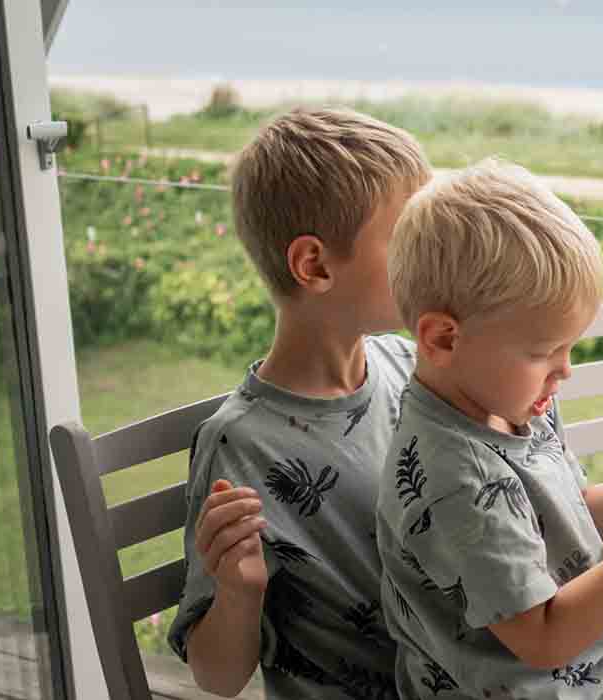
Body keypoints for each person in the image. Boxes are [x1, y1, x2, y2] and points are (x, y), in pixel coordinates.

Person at [377, 159, 603, 699]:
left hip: (587, 681)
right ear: (444, 339)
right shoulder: (454, 479)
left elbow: (573, 521)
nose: (565, 370)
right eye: (544, 352)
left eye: (569, 348)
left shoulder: (514, 401)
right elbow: (545, 637)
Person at [168, 107, 430, 698]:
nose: (430, 252)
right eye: (407, 236)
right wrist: (239, 590)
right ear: (314, 265)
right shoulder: (239, 446)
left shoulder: (408, 363)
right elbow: (219, 677)